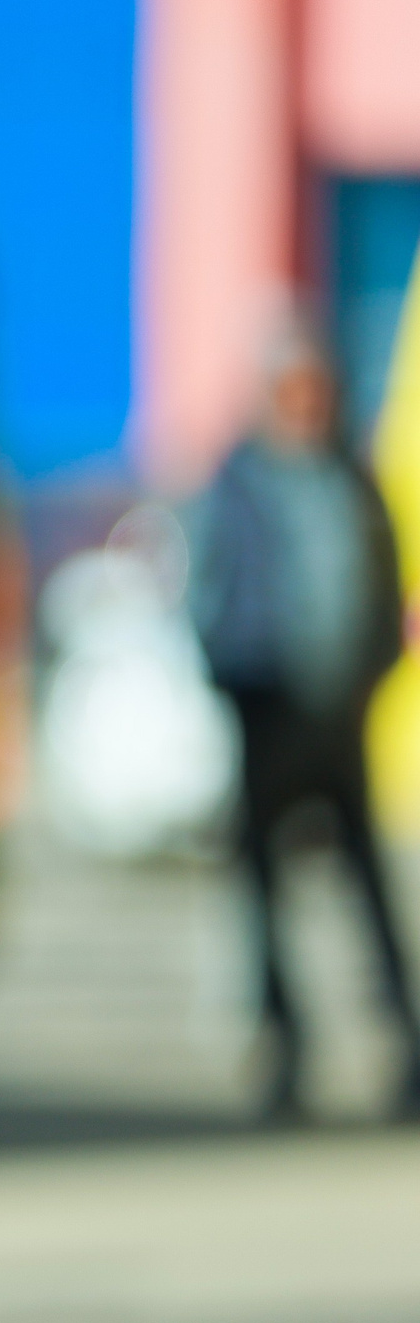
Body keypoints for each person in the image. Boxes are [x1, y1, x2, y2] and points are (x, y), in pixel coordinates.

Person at [189, 331, 420, 1118]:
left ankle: (405, 1045)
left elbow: (386, 589)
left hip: (338, 711)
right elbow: (209, 587)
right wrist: (231, 676)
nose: (307, 405)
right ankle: (285, 1049)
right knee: (264, 892)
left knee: (368, 891)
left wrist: (367, 676)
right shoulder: (239, 482)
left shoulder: (350, 479)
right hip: (266, 704)